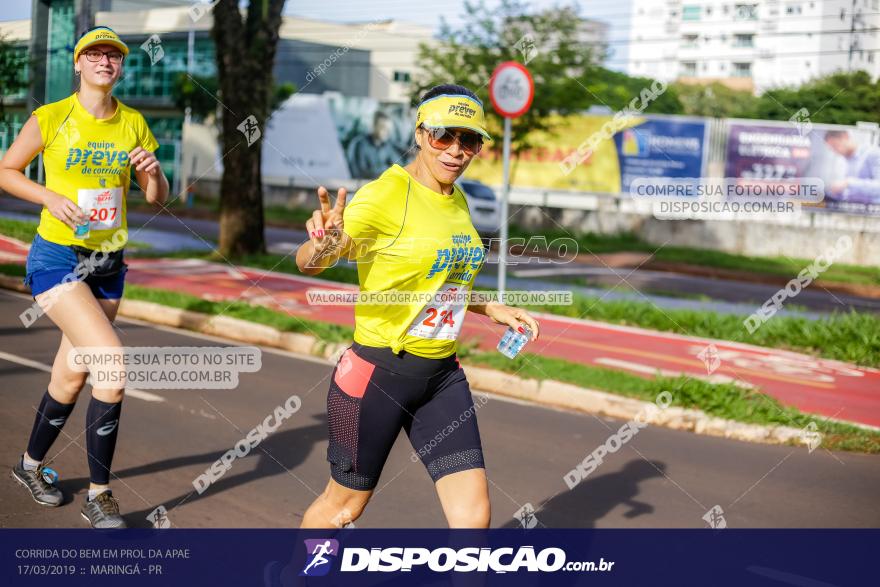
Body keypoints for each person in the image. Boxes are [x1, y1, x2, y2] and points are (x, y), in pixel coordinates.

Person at [295, 84, 540, 528]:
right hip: (378, 373)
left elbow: (440, 278)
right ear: (421, 133)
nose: (456, 151)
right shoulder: (387, 194)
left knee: (474, 515)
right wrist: (325, 246)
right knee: (344, 507)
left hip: (442, 377)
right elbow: (313, 258)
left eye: (470, 141)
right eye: (444, 135)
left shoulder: (457, 199)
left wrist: (489, 307)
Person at [0, 26, 168, 528]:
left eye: (113, 56)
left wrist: (154, 170)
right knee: (111, 365)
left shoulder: (134, 123)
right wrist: (50, 197)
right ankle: (100, 495)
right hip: (57, 257)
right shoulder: (51, 117)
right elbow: (7, 171)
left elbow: (156, 197)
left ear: (120, 67)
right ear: (78, 65)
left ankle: (29, 467)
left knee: (71, 374)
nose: (104, 61)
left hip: (109, 262)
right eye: (93, 53)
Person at [823, 130, 880, 204]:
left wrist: (848, 183)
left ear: (845, 136)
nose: (835, 151)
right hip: (854, 208)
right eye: (832, 148)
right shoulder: (846, 161)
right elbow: (851, 193)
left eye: (835, 145)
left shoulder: (873, 154)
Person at [345, 110, 404, 179]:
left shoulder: (387, 146)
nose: (387, 132)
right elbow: (359, 172)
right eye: (383, 127)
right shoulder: (360, 145)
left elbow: (400, 167)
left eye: (388, 129)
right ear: (374, 126)